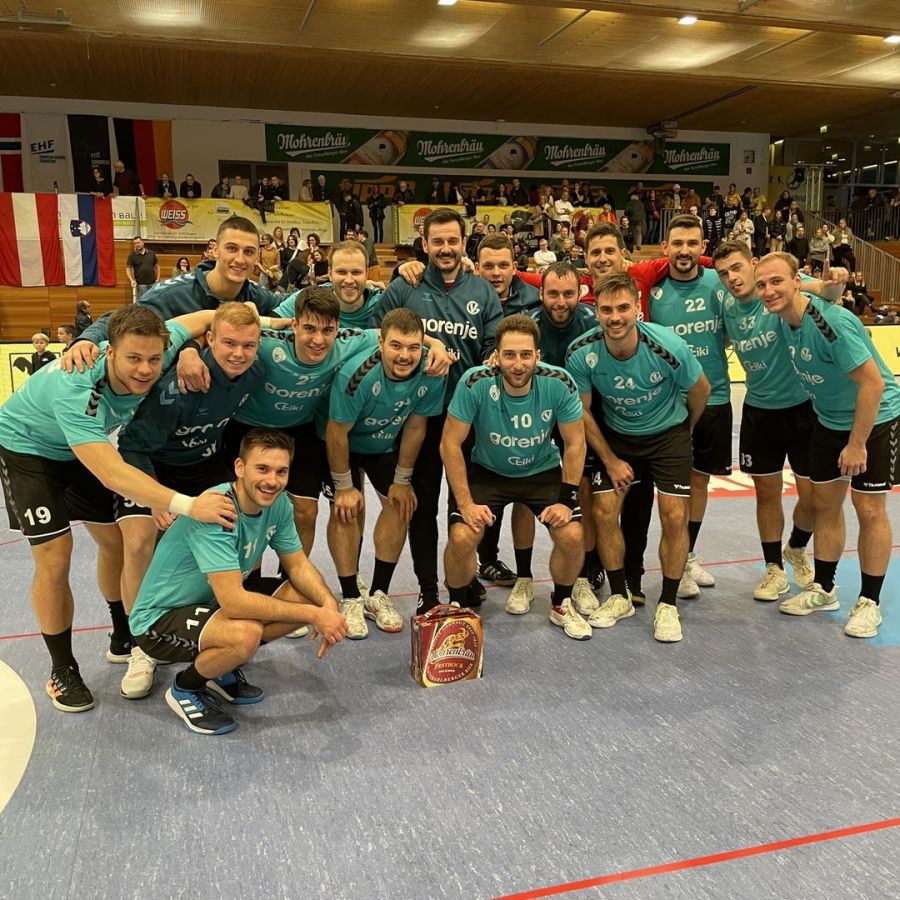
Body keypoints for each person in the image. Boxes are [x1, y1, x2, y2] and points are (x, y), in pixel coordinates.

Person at [0, 306, 236, 713]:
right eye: (133, 359)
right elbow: (112, 473)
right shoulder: (77, 387)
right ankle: (62, 668)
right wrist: (188, 505)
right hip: (27, 451)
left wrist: (272, 322)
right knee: (55, 556)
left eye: (153, 359)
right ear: (109, 352)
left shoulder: (159, 343)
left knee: (115, 542)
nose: (145, 369)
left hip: (78, 448)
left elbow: (209, 316)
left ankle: (122, 633)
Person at [128, 429, 348, 735]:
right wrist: (315, 616)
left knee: (309, 595)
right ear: (240, 468)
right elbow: (233, 603)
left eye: (281, 471)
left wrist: (327, 605)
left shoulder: (278, 504)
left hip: (210, 602)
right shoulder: (217, 510)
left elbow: (298, 564)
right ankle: (186, 688)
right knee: (245, 634)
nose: (272, 481)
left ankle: (221, 665)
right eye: (263, 469)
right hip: (159, 619)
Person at [114, 302, 264, 699]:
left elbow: (293, 326)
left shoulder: (256, 368)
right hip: (149, 465)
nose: (239, 353)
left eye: (248, 345)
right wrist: (155, 499)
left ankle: (220, 633)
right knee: (140, 542)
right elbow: (131, 447)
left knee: (236, 526)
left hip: (204, 465)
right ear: (210, 339)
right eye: (229, 343)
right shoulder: (180, 387)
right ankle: (141, 647)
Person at [756, 252, 900, 638]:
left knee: (869, 508)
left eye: (777, 281)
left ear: (796, 282)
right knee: (825, 505)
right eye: (762, 284)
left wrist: (857, 445)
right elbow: (819, 285)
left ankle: (869, 602)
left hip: (875, 419)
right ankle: (824, 588)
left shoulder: (829, 323)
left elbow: (873, 384)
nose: (768, 290)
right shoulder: (785, 316)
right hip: (828, 420)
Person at [566, 273, 711, 642]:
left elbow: (700, 390)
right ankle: (620, 596)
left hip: (668, 435)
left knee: (674, 515)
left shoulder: (667, 346)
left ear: (638, 309)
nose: (615, 317)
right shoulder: (581, 352)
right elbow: (582, 412)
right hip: (618, 437)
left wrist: (684, 432)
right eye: (607, 309)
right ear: (596, 311)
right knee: (603, 511)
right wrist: (610, 459)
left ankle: (668, 604)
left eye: (623, 308)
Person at [371, 208, 502, 612]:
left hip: (467, 418)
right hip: (417, 418)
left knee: (464, 504)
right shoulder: (404, 286)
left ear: (464, 244)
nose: (446, 248)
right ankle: (428, 591)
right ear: (424, 245)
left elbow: (491, 347)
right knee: (422, 507)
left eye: (452, 241)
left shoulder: (483, 292)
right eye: (438, 241)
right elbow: (377, 335)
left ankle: (463, 579)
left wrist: (493, 359)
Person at [442, 314, 590, 639]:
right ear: (497, 355)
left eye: (525, 355)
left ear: (538, 355)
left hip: (541, 470)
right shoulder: (475, 382)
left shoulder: (559, 382)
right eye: (509, 355)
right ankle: (456, 607)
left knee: (572, 535)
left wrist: (567, 500)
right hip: (488, 471)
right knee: (462, 537)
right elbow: (450, 444)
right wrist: (465, 503)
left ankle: (562, 603)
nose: (518, 364)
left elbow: (575, 442)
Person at [325, 308, 445, 638]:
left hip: (381, 445)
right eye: (396, 346)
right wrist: (344, 486)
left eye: (413, 347)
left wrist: (403, 480)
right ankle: (350, 596)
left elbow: (416, 425)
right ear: (381, 343)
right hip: (342, 442)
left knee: (401, 503)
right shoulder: (357, 375)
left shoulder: (432, 370)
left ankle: (379, 593)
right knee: (347, 509)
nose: (405, 355)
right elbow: (336, 432)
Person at [711, 240, 820, 599]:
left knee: (815, 498)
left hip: (803, 408)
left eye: (737, 268)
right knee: (767, 496)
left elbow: (815, 287)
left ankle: (797, 547)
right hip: (759, 412)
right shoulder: (726, 306)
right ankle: (773, 568)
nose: (731, 278)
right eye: (723, 273)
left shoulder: (773, 293)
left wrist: (832, 283)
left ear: (754, 264)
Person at [70, 217, 283, 385]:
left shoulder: (257, 295)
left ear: (257, 257)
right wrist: (86, 340)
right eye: (232, 248)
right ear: (215, 250)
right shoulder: (173, 293)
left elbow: (292, 303)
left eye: (249, 252)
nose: (240, 259)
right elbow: (122, 319)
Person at [125, 237, 160, 301]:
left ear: (143, 243)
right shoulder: (132, 255)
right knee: (143, 301)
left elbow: (157, 267)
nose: (137, 245)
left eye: (138, 243)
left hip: (153, 283)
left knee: (153, 301)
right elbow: (128, 269)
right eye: (135, 243)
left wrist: (157, 280)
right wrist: (131, 280)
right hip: (141, 284)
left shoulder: (151, 253)